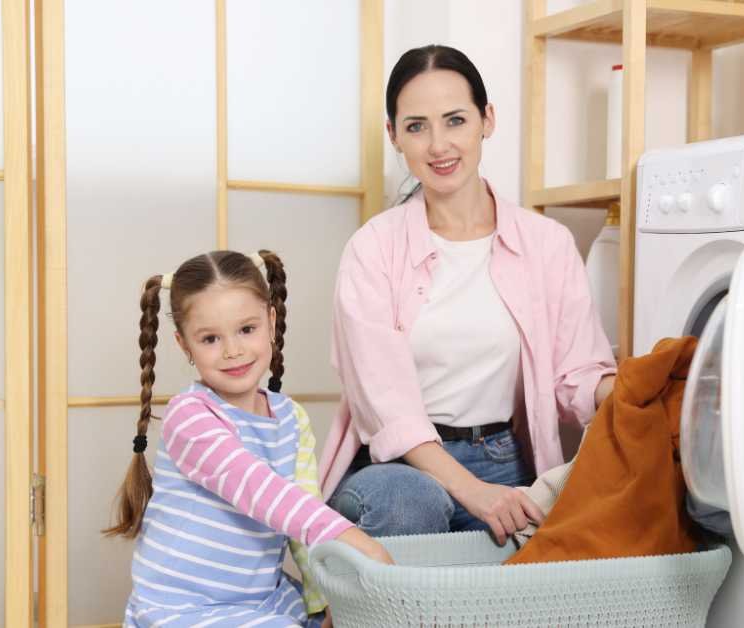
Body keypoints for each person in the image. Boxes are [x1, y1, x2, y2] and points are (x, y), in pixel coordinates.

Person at [320, 45, 618, 546]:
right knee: (408, 504)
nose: (439, 145)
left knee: (568, 549)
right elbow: (387, 409)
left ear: (487, 120)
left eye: (455, 120)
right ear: (393, 135)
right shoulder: (372, 249)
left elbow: (577, 377)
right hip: (397, 470)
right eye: (416, 126)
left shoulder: (547, 245)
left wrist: (643, 394)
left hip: (504, 456)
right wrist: (474, 493)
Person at [104, 249, 392, 628]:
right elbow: (262, 492)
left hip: (261, 598)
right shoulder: (189, 416)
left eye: (246, 329)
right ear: (183, 345)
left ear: (271, 322)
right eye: (210, 338)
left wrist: (324, 602)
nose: (233, 350)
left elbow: (302, 510)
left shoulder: (290, 418)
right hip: (182, 608)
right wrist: (355, 539)